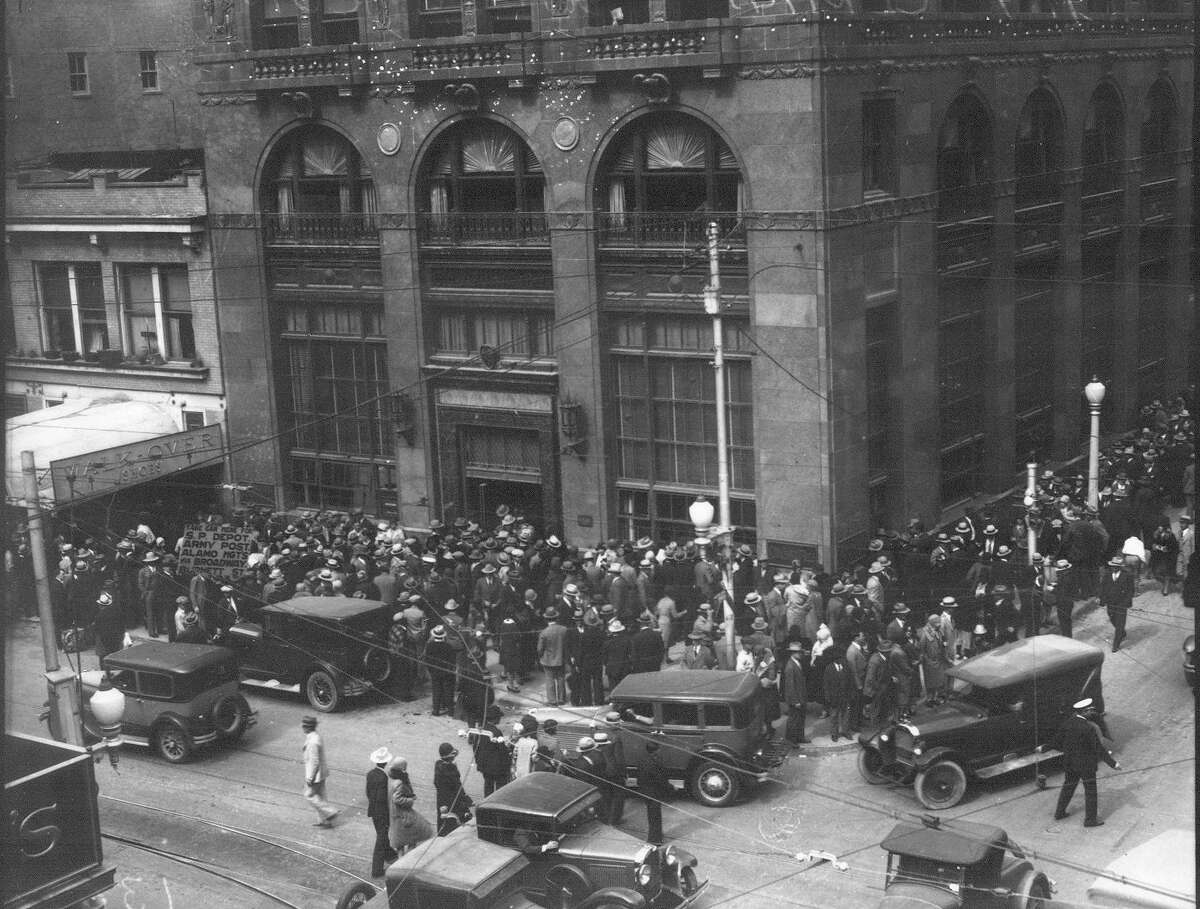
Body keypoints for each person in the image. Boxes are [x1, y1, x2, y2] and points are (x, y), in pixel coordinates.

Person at [1051, 698, 1119, 827]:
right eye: (1089, 710)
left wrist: (1068, 752)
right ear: (1084, 712)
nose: (1092, 712)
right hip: (1086, 765)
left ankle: (1059, 813)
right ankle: (1090, 820)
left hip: (1070, 763)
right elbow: (1099, 748)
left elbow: (1056, 742)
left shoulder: (1068, 723)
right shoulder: (1088, 728)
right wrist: (1113, 764)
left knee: (1068, 787)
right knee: (1090, 791)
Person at [387, 757, 433, 855]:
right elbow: (397, 799)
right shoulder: (400, 783)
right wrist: (410, 800)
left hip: (397, 815)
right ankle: (407, 859)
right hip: (403, 815)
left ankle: (401, 860)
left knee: (401, 843)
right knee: (414, 836)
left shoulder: (395, 780)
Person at [302, 716, 339, 828]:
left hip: (316, 774)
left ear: (306, 728)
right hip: (322, 772)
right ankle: (324, 821)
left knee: (309, 795)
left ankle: (330, 812)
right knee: (321, 796)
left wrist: (309, 778)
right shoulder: (316, 736)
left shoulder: (312, 742)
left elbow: (314, 761)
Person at [366, 747, 398, 876]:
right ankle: (377, 869)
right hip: (381, 812)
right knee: (381, 837)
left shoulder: (371, 774)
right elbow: (381, 798)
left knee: (382, 835)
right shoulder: (383, 777)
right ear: (385, 763)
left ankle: (389, 855)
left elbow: (368, 793)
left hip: (373, 810)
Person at [636, 740, 671, 846]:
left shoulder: (643, 759)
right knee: (655, 816)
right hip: (654, 792)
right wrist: (670, 787)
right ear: (655, 751)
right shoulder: (654, 762)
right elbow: (660, 778)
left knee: (651, 815)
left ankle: (655, 836)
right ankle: (655, 839)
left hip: (645, 791)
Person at [433, 742, 473, 835]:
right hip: (450, 801)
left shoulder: (440, 765)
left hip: (449, 800)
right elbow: (455, 785)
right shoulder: (447, 769)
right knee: (452, 823)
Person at [1098, 555, 1135, 652]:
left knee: (1120, 623)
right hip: (1110, 602)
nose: (1113, 568)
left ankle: (1116, 644)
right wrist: (1101, 599)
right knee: (1112, 618)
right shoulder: (1107, 574)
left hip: (1122, 603)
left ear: (1120, 567)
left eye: (1116, 566)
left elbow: (1131, 591)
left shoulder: (1127, 576)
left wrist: (1125, 602)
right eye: (1112, 566)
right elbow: (1103, 587)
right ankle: (1122, 632)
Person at [821, 648, 853, 742]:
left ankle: (846, 732)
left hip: (845, 697)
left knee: (846, 716)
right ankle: (834, 734)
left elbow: (850, 682)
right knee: (834, 716)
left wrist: (850, 694)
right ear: (835, 659)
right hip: (834, 698)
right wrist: (828, 698)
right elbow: (826, 685)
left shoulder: (846, 667)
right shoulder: (829, 669)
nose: (842, 660)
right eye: (839, 658)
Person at [537, 607, 568, 706]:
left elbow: (540, 649)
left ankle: (552, 700)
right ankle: (561, 698)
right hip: (561, 658)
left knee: (549, 680)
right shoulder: (564, 630)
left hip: (548, 660)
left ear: (546, 619)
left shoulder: (544, 632)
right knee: (561, 678)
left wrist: (540, 656)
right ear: (556, 618)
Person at [782, 640, 809, 746]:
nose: (801, 654)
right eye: (799, 652)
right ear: (793, 653)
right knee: (794, 719)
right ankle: (791, 740)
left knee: (801, 718)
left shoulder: (796, 663)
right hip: (795, 698)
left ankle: (800, 737)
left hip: (801, 696)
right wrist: (795, 701)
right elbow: (790, 686)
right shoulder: (790, 666)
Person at [1148, 518, 1179, 596]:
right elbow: (1152, 543)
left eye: (1160, 526)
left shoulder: (1170, 535)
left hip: (1168, 556)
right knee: (1157, 573)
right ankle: (1166, 583)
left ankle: (1166, 588)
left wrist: (1161, 547)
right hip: (1159, 557)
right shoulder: (1156, 534)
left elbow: (1172, 547)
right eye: (1158, 526)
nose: (1159, 527)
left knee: (1167, 572)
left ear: (1164, 527)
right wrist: (1154, 546)